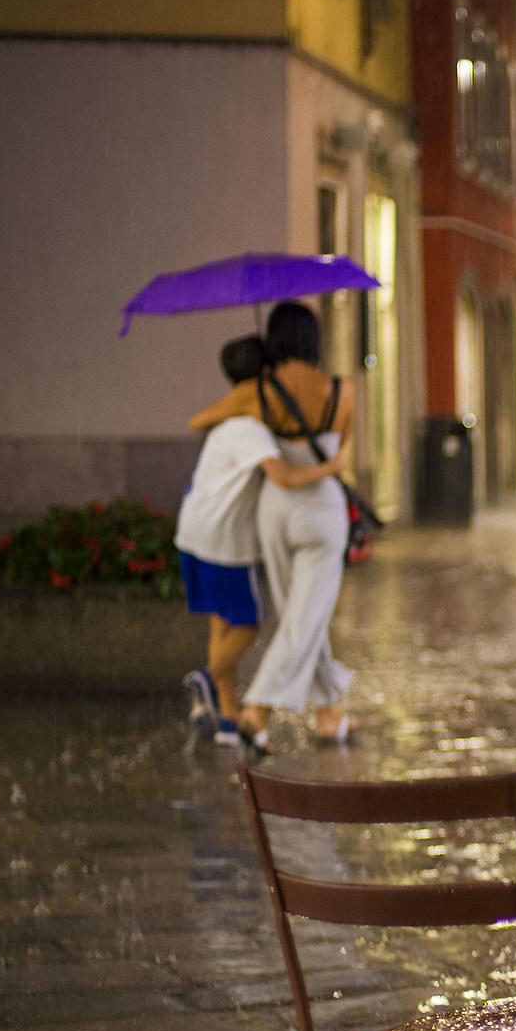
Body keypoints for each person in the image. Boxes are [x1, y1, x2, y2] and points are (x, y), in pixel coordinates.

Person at [192, 302, 359, 751]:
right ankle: (258, 709)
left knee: (301, 616)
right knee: (305, 616)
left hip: (275, 510)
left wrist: (246, 414)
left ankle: (329, 715)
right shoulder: (343, 391)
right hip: (322, 510)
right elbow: (341, 449)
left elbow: (200, 420)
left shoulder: (256, 392)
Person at [176, 334, 278, 744]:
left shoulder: (225, 421)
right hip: (227, 541)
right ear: (266, 373)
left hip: (193, 531)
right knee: (250, 624)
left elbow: (196, 420)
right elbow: (281, 477)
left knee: (222, 618)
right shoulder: (252, 429)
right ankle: (205, 678)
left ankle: (226, 716)